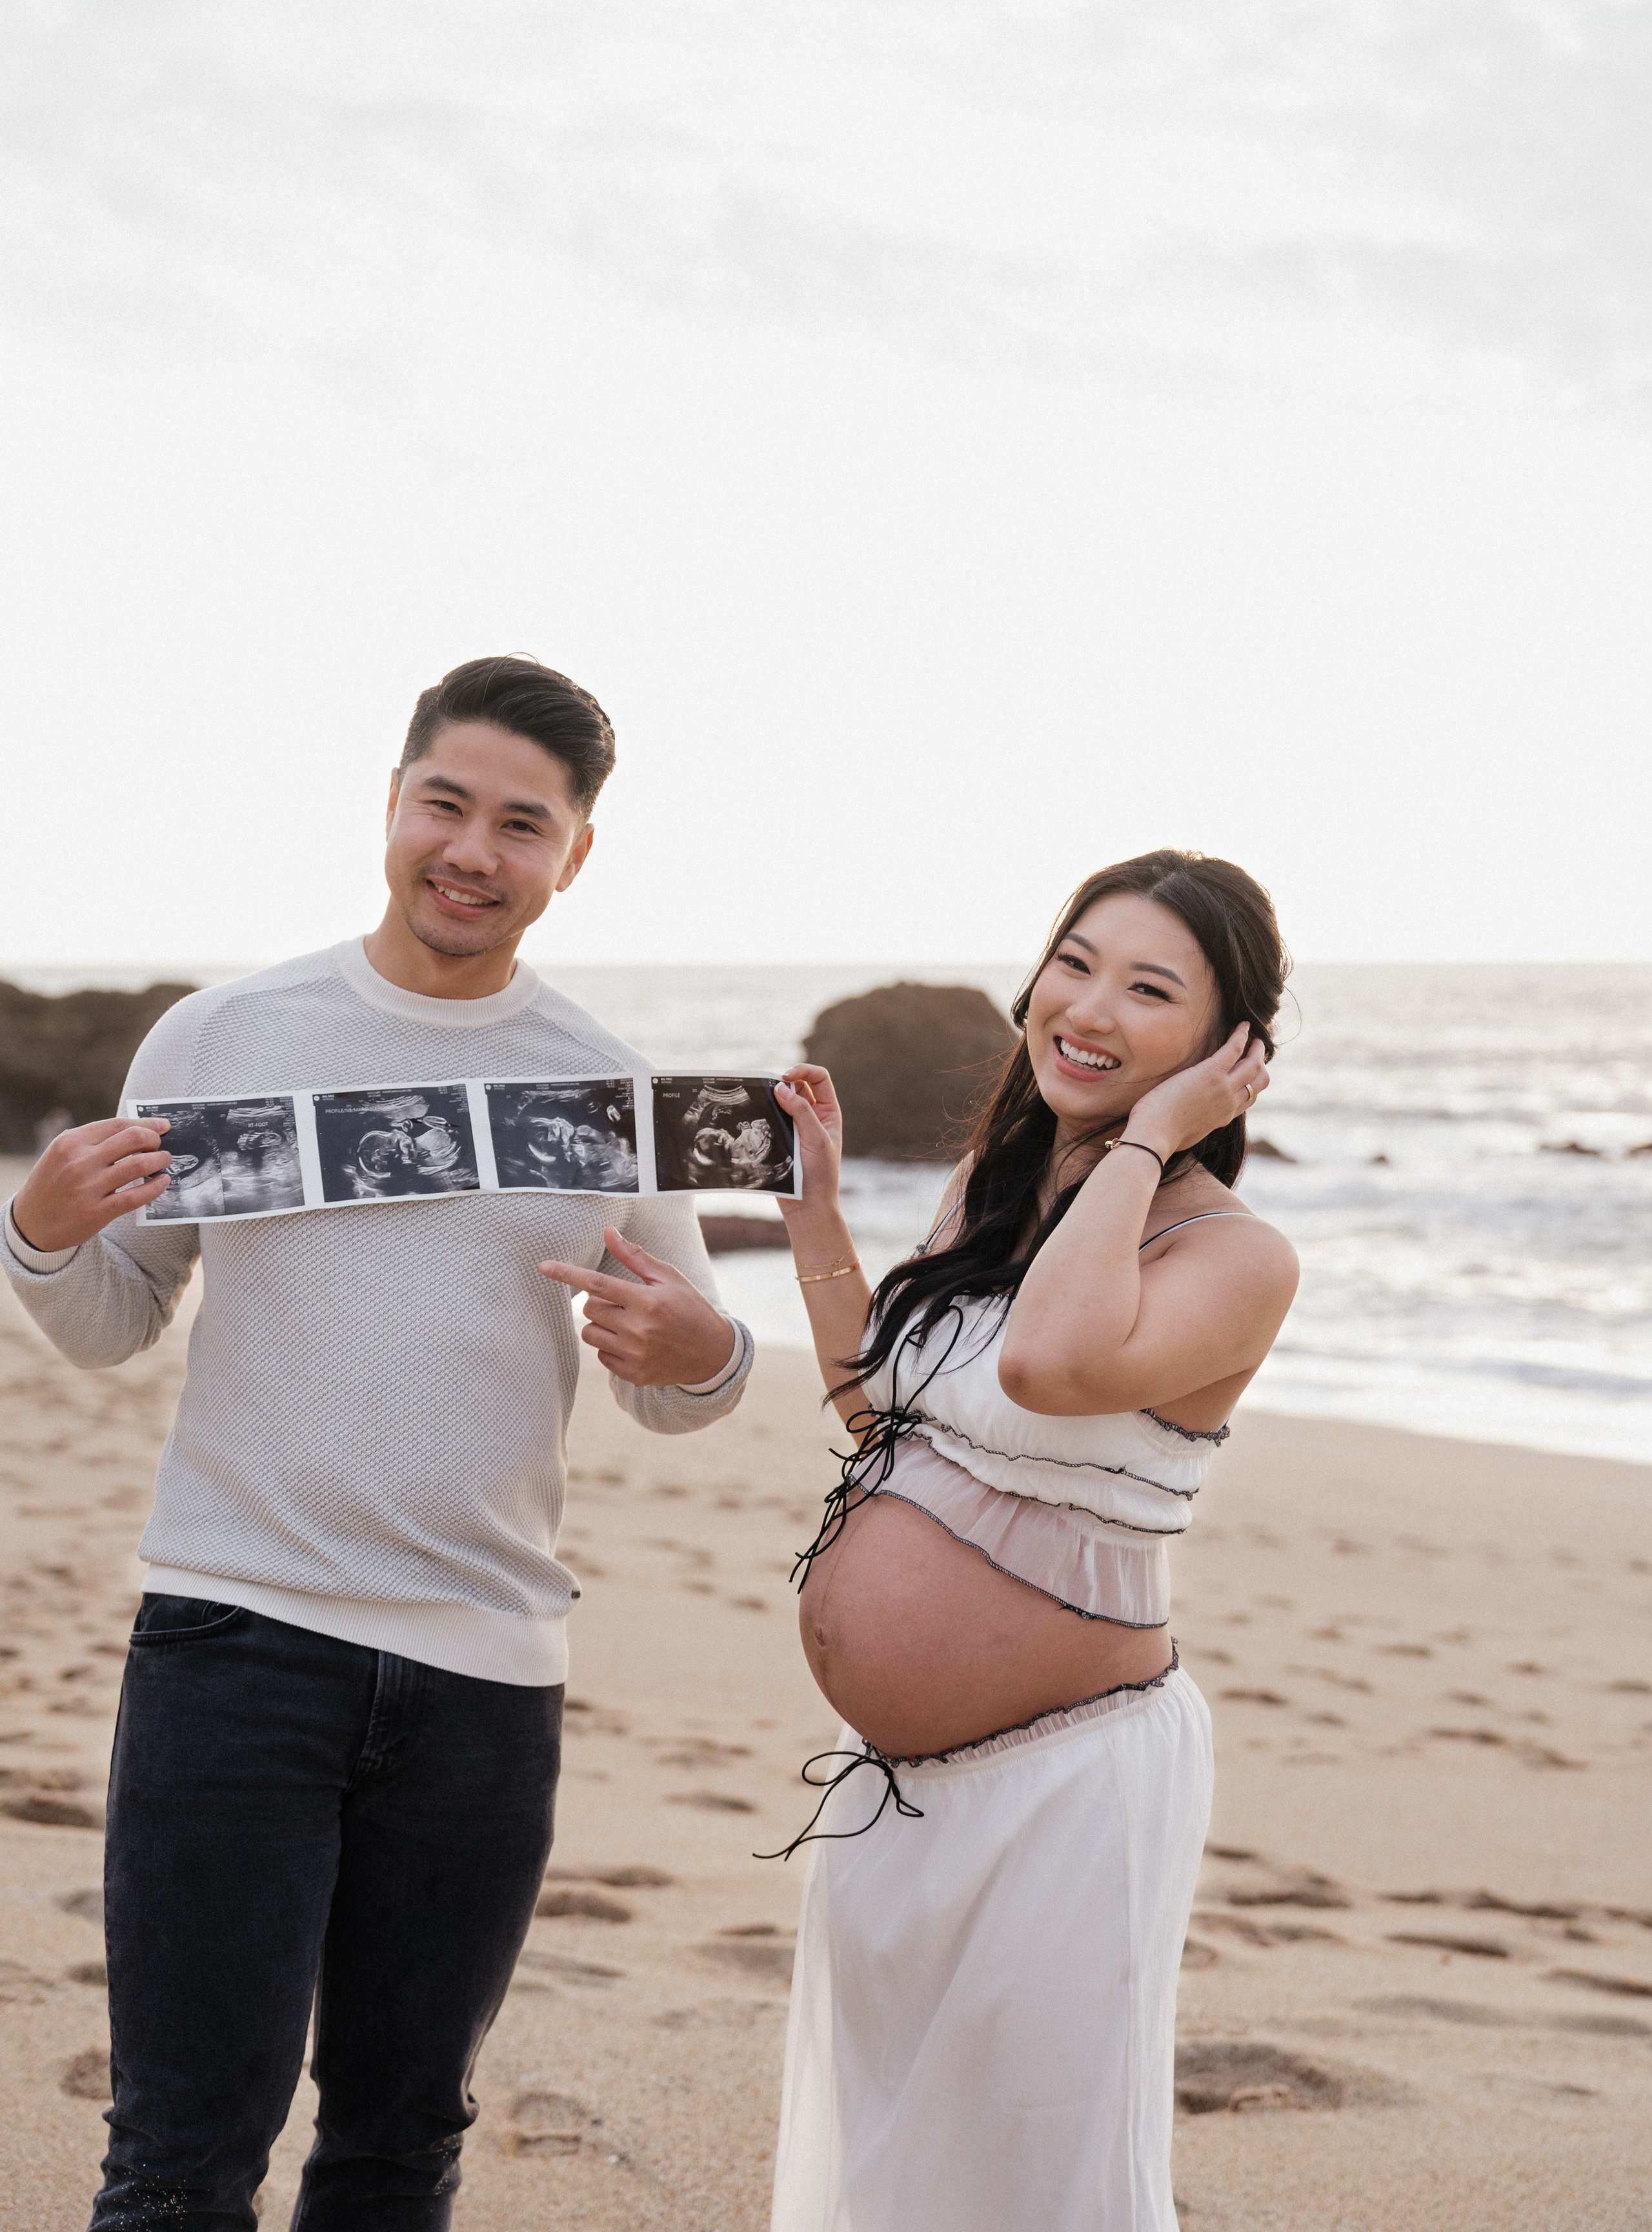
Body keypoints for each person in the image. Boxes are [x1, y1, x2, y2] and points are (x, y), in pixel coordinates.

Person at [3, 654, 752, 2231]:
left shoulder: (610, 1089)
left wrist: (709, 1351)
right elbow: (115, 1321)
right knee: (179, 2156)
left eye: (522, 824)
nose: (473, 851)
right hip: (234, 1645)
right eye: (447, 805)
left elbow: (677, 1383)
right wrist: (39, 1236)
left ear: (575, 854)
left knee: (400, 2146)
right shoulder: (223, 1037)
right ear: (394, 805)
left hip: (487, 1682)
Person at [767, 850, 1300, 2232]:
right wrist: (815, 1210)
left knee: (1029, 2189)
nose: (1089, 1007)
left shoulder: (1235, 1256)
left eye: (1148, 989)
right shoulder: (995, 1199)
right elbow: (875, 1409)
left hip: (1069, 1793)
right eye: (1074, 961)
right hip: (895, 1796)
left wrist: (1143, 1139)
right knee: (897, 2175)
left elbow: (1051, 1368)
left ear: (1223, 1048)